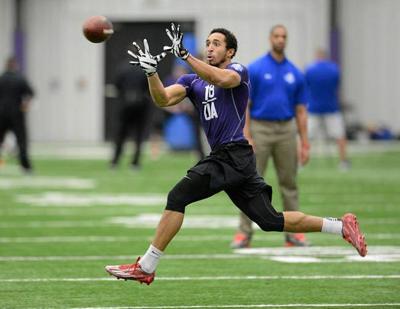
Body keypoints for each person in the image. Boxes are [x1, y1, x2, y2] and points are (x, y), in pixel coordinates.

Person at [105, 23, 367, 285]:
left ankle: (147, 265)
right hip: (231, 158)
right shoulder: (191, 80)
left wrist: (185, 56)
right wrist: (151, 73)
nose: (210, 47)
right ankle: (340, 226)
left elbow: (220, 79)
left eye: (216, 44)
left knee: (178, 196)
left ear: (230, 52)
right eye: (207, 43)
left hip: (232, 154)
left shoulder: (238, 70)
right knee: (269, 220)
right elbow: (162, 99)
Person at [231, 25, 310, 249]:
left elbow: (301, 110)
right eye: (277, 36)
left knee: (289, 183)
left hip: (286, 129)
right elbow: (244, 104)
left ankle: (295, 234)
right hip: (260, 128)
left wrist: (304, 142)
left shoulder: (295, 73)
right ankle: (244, 233)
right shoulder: (255, 69)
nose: (280, 40)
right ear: (270, 39)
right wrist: (246, 135)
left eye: (284, 36)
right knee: (250, 183)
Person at [305, 48, 350, 170]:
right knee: (340, 135)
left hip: (313, 107)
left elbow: (306, 86)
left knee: (306, 136)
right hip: (331, 107)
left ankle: (301, 162)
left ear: (317, 56)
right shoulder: (334, 69)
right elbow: (337, 86)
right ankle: (344, 162)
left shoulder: (310, 69)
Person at [110, 62, 152, 170]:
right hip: (141, 105)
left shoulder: (122, 69)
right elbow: (149, 87)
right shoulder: (144, 69)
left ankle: (115, 161)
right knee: (139, 135)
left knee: (121, 134)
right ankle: (135, 162)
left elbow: (116, 86)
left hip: (125, 105)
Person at [0, 56, 34, 173]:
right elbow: (30, 93)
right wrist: (25, 105)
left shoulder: (1, 78)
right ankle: (25, 167)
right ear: (14, 65)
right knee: (21, 141)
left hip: (2, 113)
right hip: (17, 114)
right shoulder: (20, 79)